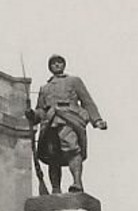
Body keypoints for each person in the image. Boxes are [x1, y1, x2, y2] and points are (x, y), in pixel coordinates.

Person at [30, 54, 107, 193]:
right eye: (53, 63)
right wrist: (33, 115)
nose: (57, 65)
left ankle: (77, 183)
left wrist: (97, 120)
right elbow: (41, 109)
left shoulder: (74, 81)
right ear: (50, 67)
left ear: (64, 65)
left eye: (59, 62)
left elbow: (87, 101)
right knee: (52, 155)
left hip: (70, 119)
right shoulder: (44, 88)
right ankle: (55, 189)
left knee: (72, 149)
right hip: (50, 123)